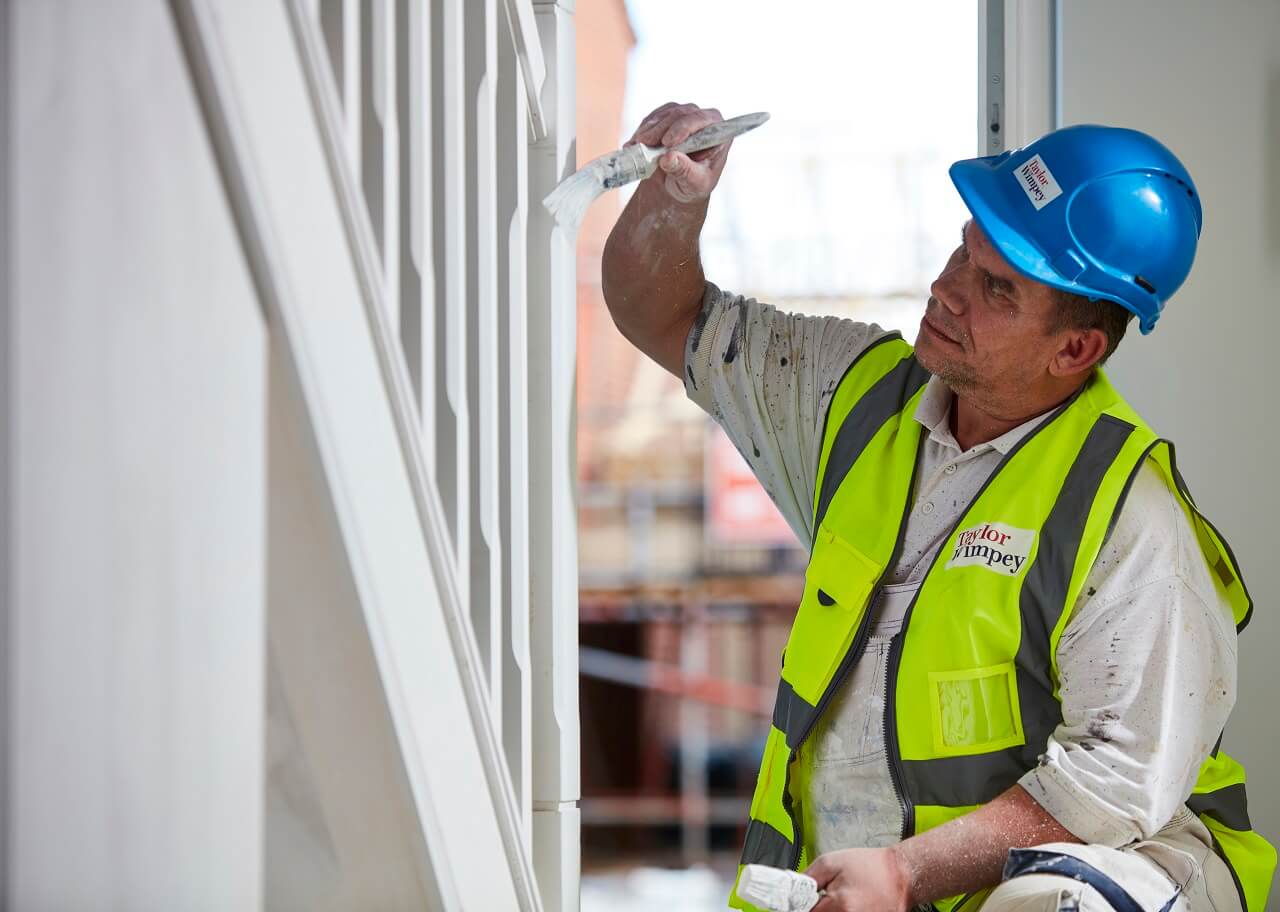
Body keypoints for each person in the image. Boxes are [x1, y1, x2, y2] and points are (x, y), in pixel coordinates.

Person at [601, 103, 1276, 912]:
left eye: (996, 287)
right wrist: (672, 202)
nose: (947, 289)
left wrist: (905, 872)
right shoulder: (849, 399)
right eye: (964, 249)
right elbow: (662, 313)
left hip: (1062, 882)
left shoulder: (1130, 520)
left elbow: (1116, 782)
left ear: (1075, 350)